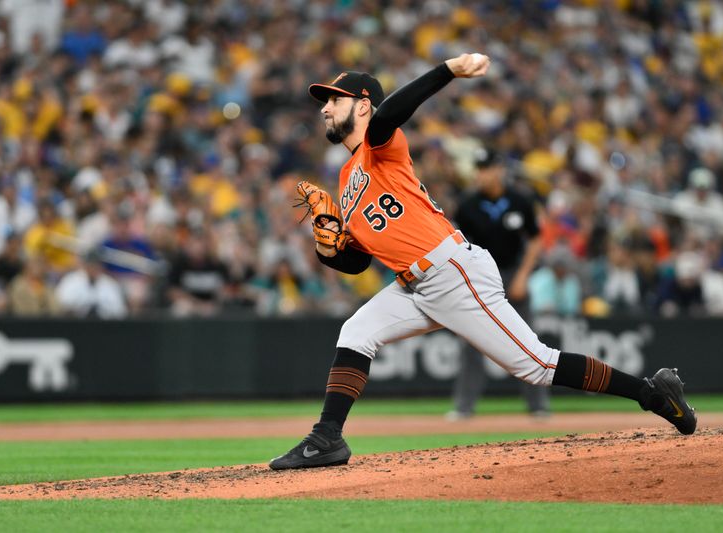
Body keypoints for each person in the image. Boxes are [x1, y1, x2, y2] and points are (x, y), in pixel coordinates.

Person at [269, 53, 697, 471]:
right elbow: (357, 262)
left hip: (450, 271)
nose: (325, 108)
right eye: (325, 101)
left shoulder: (382, 144)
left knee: (537, 365)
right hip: (412, 285)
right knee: (357, 331)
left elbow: (387, 118)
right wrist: (327, 245)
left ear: (362, 105)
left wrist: (446, 71)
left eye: (334, 99)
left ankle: (652, 392)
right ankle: (327, 437)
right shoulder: (347, 180)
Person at [447, 147, 550, 419]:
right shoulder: (468, 204)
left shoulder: (520, 201)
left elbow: (536, 239)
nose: (480, 174)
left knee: (527, 340)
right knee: (472, 340)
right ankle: (464, 406)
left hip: (512, 272)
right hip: (481, 277)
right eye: (478, 169)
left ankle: (538, 405)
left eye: (485, 168)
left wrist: (524, 275)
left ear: (499, 170)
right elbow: (456, 243)